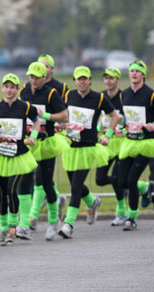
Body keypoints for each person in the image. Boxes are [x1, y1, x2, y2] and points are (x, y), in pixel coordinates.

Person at [59, 66, 121, 239]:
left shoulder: (99, 98)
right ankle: (93, 202)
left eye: (85, 78)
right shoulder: (68, 96)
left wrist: (108, 135)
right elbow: (62, 116)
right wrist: (62, 125)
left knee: (76, 187)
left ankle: (68, 224)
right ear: (74, 81)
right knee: (74, 183)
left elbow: (115, 116)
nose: (82, 82)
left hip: (88, 148)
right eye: (79, 79)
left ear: (90, 80)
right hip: (71, 147)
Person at [0, 73, 39, 244]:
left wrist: (33, 136)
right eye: (6, 86)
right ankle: (3, 230)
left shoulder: (25, 106)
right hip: (0, 154)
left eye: (12, 87)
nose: (9, 90)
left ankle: (12, 226)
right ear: (2, 88)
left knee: (11, 190)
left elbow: (37, 120)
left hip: (19, 156)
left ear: (17, 89)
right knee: (1, 192)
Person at [20, 62, 68, 240]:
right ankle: (24, 224)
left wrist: (45, 115)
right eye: (30, 76)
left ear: (43, 78)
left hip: (46, 142)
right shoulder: (24, 91)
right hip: (29, 142)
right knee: (24, 181)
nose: (33, 80)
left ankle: (54, 221)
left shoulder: (51, 93)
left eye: (36, 77)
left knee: (46, 182)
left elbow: (64, 116)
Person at [119, 59, 154, 230]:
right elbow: (124, 117)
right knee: (122, 181)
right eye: (131, 70)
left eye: (137, 71)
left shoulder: (151, 94)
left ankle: (132, 217)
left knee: (132, 179)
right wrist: (121, 128)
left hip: (146, 143)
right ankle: (146, 187)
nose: (134, 73)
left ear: (143, 74)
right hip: (130, 141)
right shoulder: (124, 94)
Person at [95, 67, 127, 226]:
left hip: (121, 143)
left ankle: (121, 212)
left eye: (111, 78)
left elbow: (130, 119)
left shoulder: (124, 97)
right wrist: (98, 128)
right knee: (99, 179)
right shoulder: (101, 97)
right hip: (105, 142)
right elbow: (101, 119)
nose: (108, 81)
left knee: (116, 178)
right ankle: (142, 186)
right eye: (106, 78)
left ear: (118, 80)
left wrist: (125, 130)